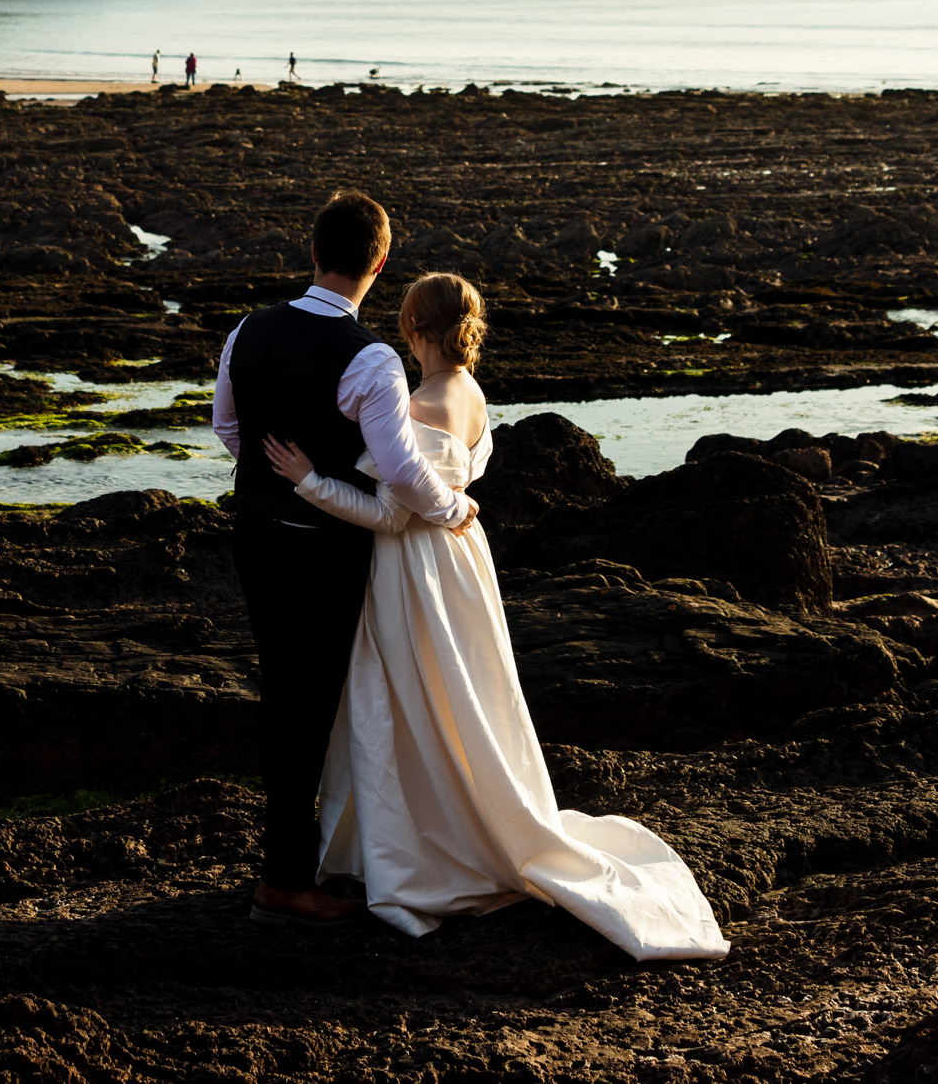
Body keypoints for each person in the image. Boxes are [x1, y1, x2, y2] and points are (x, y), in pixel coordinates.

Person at [261, 273, 729, 961]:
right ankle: (455, 819)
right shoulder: (472, 394)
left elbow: (392, 512)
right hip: (463, 564)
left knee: (407, 695)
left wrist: (309, 479)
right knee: (465, 695)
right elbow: (453, 482)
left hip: (412, 567)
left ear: (414, 329)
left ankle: (418, 841)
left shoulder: (414, 405)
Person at [213, 192, 478, 929]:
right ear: (381, 263)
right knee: (308, 706)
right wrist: (454, 509)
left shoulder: (248, 329)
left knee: (283, 694)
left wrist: (272, 479)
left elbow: (227, 426)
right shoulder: (371, 360)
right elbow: (401, 474)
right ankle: (287, 877)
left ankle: (289, 863)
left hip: (255, 534)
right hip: (322, 549)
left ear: (312, 252)